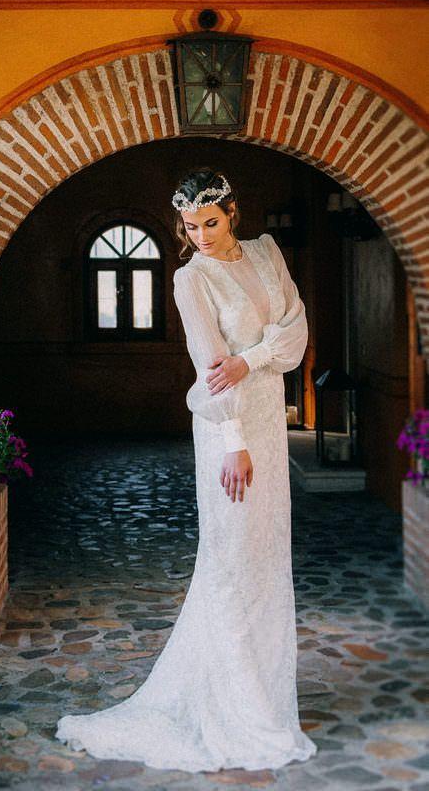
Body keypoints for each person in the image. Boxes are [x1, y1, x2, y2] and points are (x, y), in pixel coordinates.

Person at [55, 167, 318, 773]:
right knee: (230, 557)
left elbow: (295, 334)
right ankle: (231, 704)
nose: (200, 234)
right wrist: (232, 439)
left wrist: (249, 360)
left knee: (266, 553)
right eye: (190, 225)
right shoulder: (188, 279)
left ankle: (265, 698)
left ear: (233, 213)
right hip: (229, 432)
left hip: (268, 419)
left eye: (210, 222)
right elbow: (209, 366)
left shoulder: (266, 252)